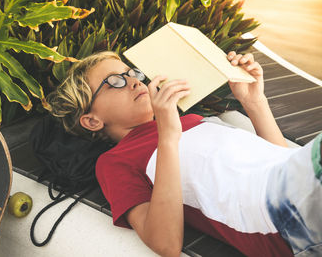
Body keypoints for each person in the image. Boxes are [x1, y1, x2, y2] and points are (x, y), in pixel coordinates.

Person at [47, 50, 322, 257]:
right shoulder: (116, 161)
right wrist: (168, 134)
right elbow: (165, 243)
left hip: (295, 180)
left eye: (133, 74)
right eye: (115, 81)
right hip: (276, 217)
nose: (134, 82)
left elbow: (276, 160)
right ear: (92, 120)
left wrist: (254, 101)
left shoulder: (191, 119)